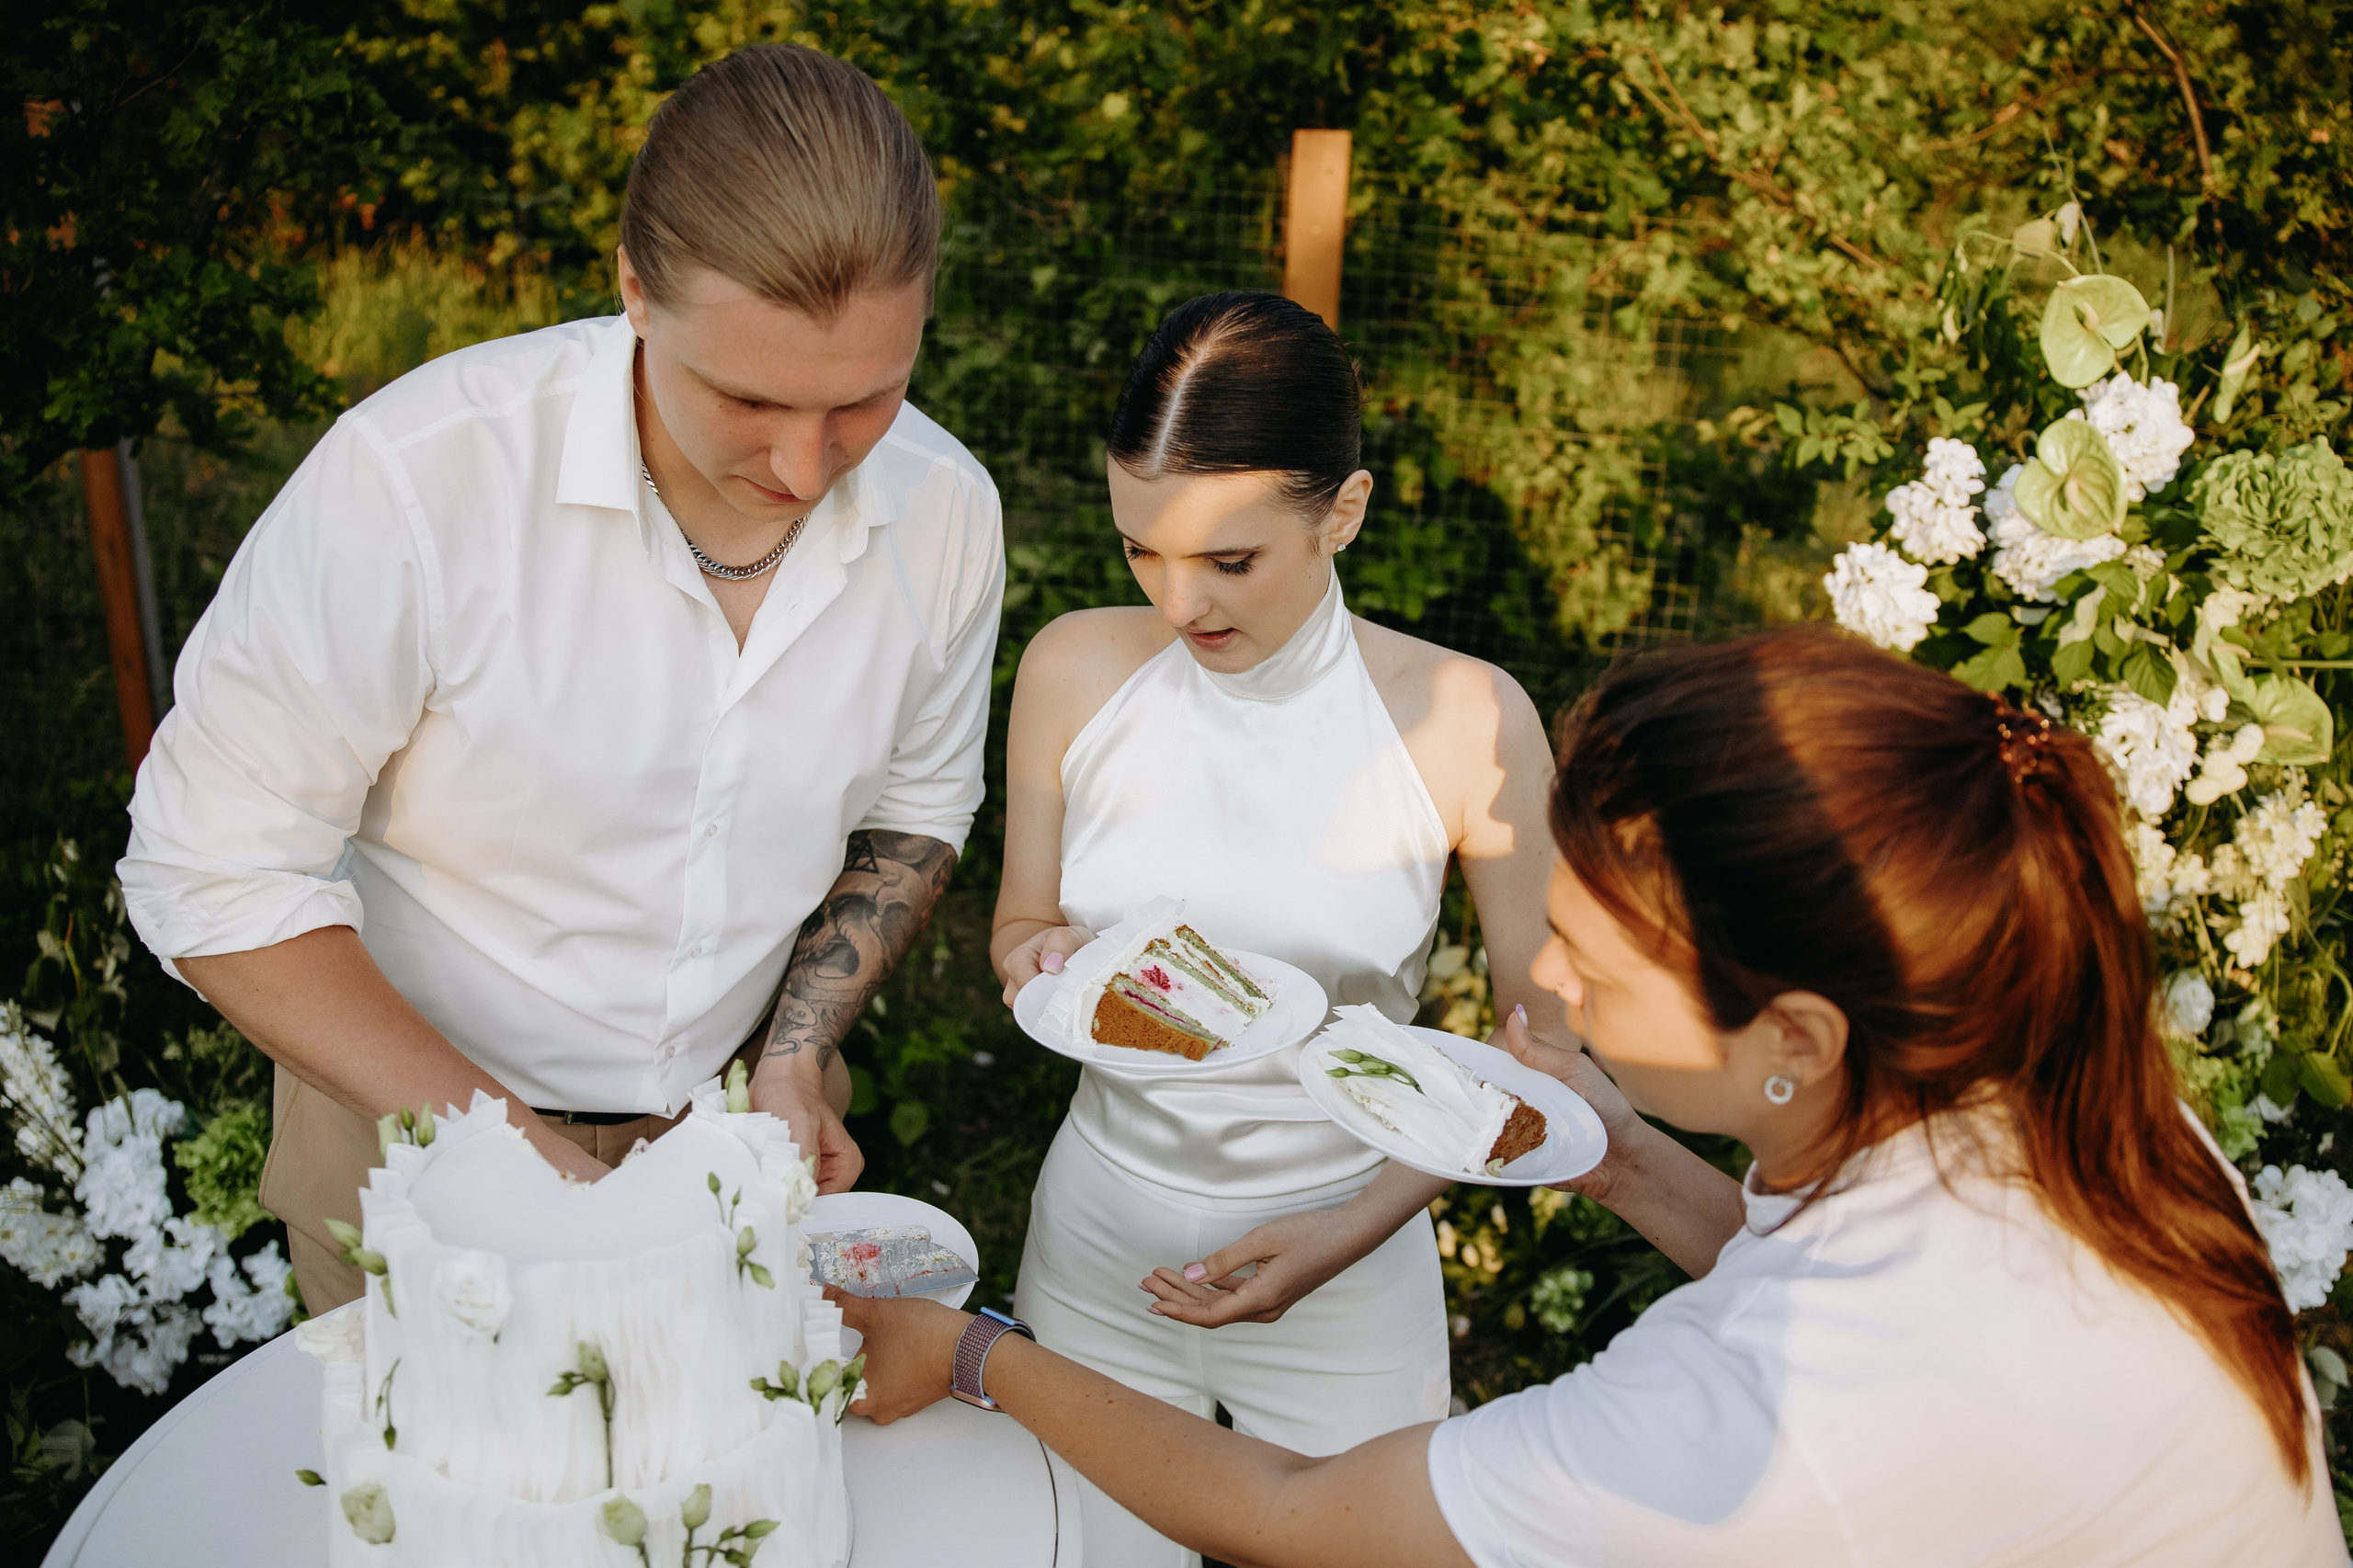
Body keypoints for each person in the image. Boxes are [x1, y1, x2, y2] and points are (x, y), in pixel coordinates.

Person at [855, 625, 2346, 1566]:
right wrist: (1627, 1160)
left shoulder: (1763, 1413)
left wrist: (975, 1354)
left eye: (1598, 950)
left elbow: (1295, 1514)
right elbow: (1809, 1264)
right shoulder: (2051, 1093)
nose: (1548, 964)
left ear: (1799, 1037)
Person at [117, 45, 1003, 1312]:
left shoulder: (948, 509)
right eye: (748, 397)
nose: (809, 468)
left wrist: (799, 1054)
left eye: (865, 399)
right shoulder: (415, 483)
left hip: (732, 1142)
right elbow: (208, 868)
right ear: (635, 289)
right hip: (408, 1144)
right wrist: (517, 1157)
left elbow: (917, 808)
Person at [989, 291, 1564, 1565]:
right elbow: (1024, 920)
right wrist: (1038, 963)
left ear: (1343, 511)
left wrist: (1350, 1230)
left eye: (1229, 559)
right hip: (1096, 1255)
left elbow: (1549, 1043)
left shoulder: (1467, 717)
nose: (1181, 600)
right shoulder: (1073, 668)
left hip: (1350, 1264)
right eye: (1143, 549)